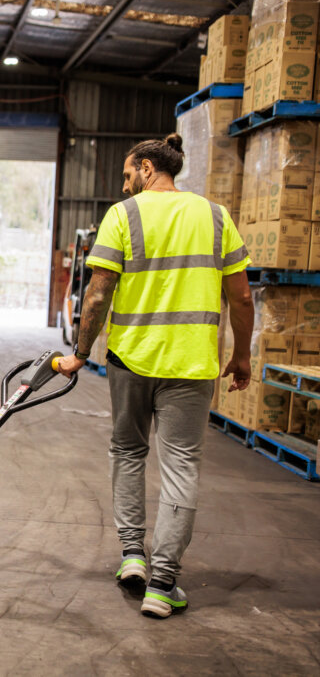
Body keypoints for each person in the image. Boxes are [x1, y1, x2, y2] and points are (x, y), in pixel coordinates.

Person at [56, 133, 254, 619]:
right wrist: (243, 355)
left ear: (147, 168)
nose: (125, 187)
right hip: (191, 364)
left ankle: (132, 557)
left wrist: (80, 354)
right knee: (181, 465)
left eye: (128, 175)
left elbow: (97, 293)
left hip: (132, 359)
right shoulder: (215, 216)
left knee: (128, 451)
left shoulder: (123, 216)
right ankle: (163, 583)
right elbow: (243, 298)